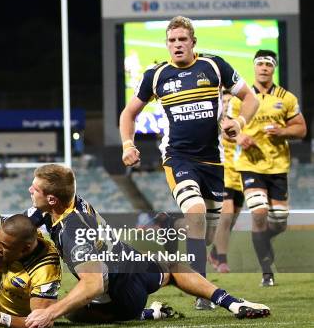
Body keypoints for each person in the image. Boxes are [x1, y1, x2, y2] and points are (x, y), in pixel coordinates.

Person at [0, 164, 269, 328]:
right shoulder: (65, 201)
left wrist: (52, 313)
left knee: (73, 313)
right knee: (173, 270)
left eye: (35, 188)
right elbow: (24, 220)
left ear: (52, 199)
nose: (29, 190)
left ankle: (144, 315)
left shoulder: (72, 232)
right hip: (128, 256)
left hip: (120, 291)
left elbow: (94, 282)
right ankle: (232, 302)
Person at [118, 16, 260, 309]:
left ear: (193, 42)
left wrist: (239, 121)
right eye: (172, 40)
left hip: (213, 161)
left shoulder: (214, 66)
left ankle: (171, 223)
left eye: (183, 39)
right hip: (177, 157)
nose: (177, 45)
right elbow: (128, 114)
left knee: (206, 236)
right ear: (167, 44)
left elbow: (250, 98)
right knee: (195, 211)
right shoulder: (156, 76)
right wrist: (127, 145)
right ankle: (203, 294)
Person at [231, 49, 307, 286]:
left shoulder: (287, 98)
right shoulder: (240, 99)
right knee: (259, 213)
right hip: (250, 165)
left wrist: (283, 131)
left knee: (280, 222)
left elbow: (302, 129)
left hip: (277, 166)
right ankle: (267, 271)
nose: (264, 67)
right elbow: (228, 126)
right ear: (254, 67)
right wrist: (239, 136)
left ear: (274, 68)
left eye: (268, 64)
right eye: (260, 63)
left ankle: (261, 240)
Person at [209, 90, 245, 273]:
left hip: (241, 170)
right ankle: (222, 260)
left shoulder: (240, 118)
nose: (227, 103)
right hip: (222, 168)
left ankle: (216, 250)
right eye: (225, 100)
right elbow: (225, 134)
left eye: (230, 100)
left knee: (233, 216)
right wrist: (240, 137)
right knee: (227, 213)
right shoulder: (217, 118)